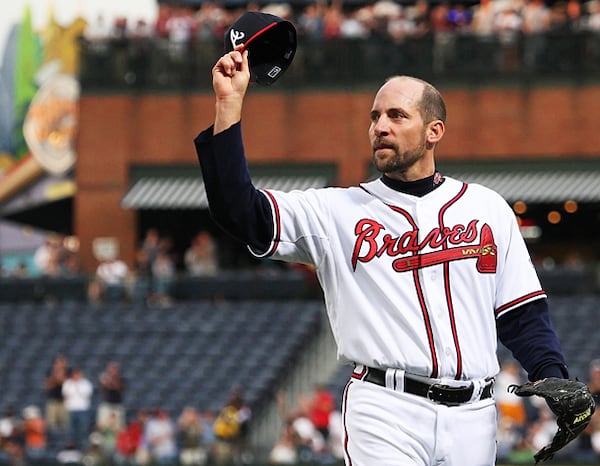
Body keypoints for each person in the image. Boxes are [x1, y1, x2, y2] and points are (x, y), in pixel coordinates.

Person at [194, 47, 573, 466]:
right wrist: (228, 105)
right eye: (375, 117)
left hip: (474, 415)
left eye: (397, 116)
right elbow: (239, 212)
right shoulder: (337, 211)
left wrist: (553, 377)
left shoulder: (487, 208)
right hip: (385, 408)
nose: (380, 127)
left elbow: (522, 314)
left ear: (434, 131)